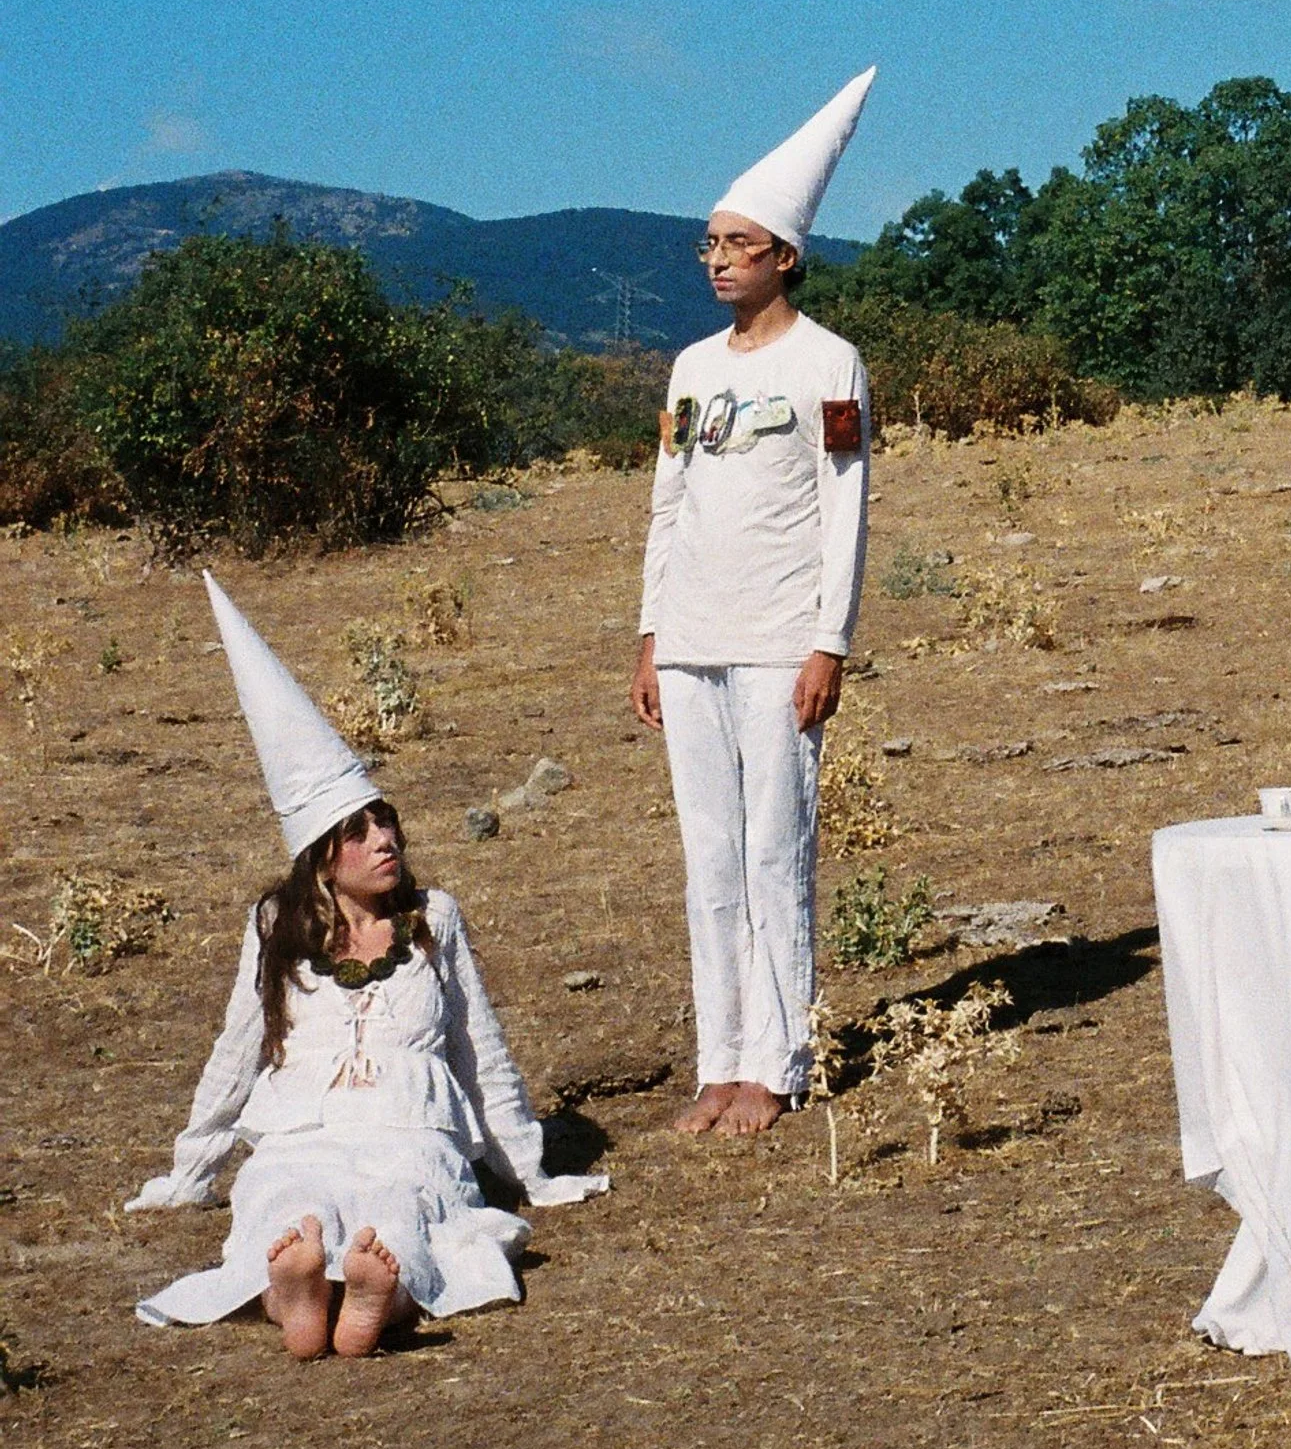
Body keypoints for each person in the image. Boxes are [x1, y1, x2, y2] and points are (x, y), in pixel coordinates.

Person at [128, 577, 602, 1356]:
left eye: (389, 824)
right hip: (302, 1130)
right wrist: (193, 1170)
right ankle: (298, 1292)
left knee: (403, 1208)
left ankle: (375, 1299)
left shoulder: (434, 919)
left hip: (407, 1127)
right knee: (287, 1203)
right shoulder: (276, 925)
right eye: (362, 831)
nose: (387, 841)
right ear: (322, 858)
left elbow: (477, 1048)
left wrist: (527, 1168)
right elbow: (238, 1049)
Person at [631, 69, 875, 1140]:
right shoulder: (688, 369)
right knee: (710, 853)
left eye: (738, 243)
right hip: (690, 642)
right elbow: (667, 501)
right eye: (709, 245)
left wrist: (829, 641)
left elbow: (847, 504)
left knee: (777, 847)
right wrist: (650, 633)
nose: (719, 260)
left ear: (784, 254)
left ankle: (778, 1059)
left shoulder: (831, 361)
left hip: (781, 640)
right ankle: (719, 1057)